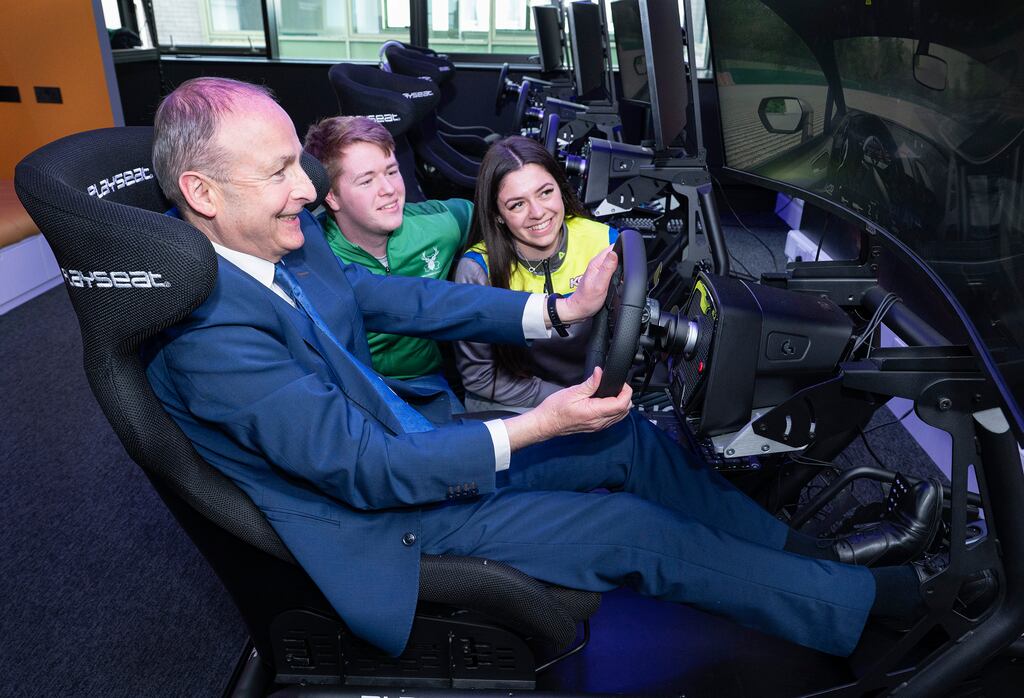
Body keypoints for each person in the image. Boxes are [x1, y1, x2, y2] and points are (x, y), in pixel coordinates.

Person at [144, 77, 954, 661]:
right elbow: (366, 472)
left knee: (629, 440)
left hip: (414, 443)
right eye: (282, 170)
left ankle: (808, 563)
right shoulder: (210, 338)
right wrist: (537, 425)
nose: (307, 188)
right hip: (387, 519)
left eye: (301, 163)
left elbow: (409, 304)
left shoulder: (285, 247)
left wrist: (555, 310)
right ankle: (883, 605)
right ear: (201, 193)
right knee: (627, 530)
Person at [303, 116, 470, 405]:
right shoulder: (309, 254)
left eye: (392, 171)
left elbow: (497, 218)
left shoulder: (438, 226)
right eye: (367, 180)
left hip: (425, 383)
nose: (389, 189)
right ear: (331, 196)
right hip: (348, 389)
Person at [455, 136, 615, 412]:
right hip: (521, 399)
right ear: (497, 215)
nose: (538, 213)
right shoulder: (477, 270)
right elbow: (480, 378)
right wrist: (567, 402)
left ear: (560, 188)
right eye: (517, 204)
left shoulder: (605, 243)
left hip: (596, 393)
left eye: (545, 192)